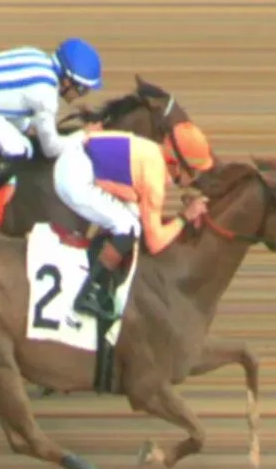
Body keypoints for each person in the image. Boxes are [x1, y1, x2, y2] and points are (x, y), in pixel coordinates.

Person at [52, 121, 215, 321]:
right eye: (194, 172)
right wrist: (184, 217)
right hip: (74, 178)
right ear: (178, 166)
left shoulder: (153, 153)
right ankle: (89, 293)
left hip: (77, 160)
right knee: (129, 227)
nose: (195, 178)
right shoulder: (154, 180)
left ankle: (100, 260)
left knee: (131, 213)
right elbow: (155, 243)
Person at [0, 38, 104, 228]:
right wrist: (83, 135)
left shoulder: (38, 55)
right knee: (20, 148)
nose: (79, 96)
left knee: (21, 130)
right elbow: (51, 149)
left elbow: (15, 101)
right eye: (82, 90)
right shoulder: (46, 95)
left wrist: (27, 128)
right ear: (67, 81)